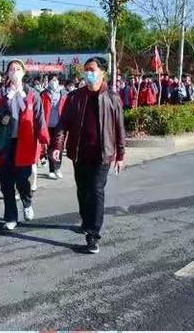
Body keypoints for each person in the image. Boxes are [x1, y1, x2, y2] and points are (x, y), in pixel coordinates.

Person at [52, 56, 125, 254]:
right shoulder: (75, 97)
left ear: (102, 72)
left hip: (102, 155)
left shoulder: (112, 98)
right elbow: (62, 124)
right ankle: (86, 219)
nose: (88, 73)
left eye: (92, 69)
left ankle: (93, 234)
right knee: (83, 190)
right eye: (86, 70)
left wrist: (120, 155)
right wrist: (57, 145)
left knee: (95, 190)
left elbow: (119, 128)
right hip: (79, 153)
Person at [0, 59, 49, 230]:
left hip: (25, 143)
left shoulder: (32, 94)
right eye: (11, 69)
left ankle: (27, 202)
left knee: (23, 180)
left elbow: (39, 119)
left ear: (23, 72)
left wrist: (45, 141)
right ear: (7, 73)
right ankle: (10, 216)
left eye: (18, 69)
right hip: (5, 143)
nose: (14, 71)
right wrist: (2, 115)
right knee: (6, 182)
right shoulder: (0, 93)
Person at [41, 75, 67, 180]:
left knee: (59, 147)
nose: (53, 82)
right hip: (48, 124)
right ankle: (51, 170)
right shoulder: (43, 94)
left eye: (55, 80)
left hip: (60, 124)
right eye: (51, 80)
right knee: (50, 147)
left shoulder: (63, 93)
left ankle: (57, 168)